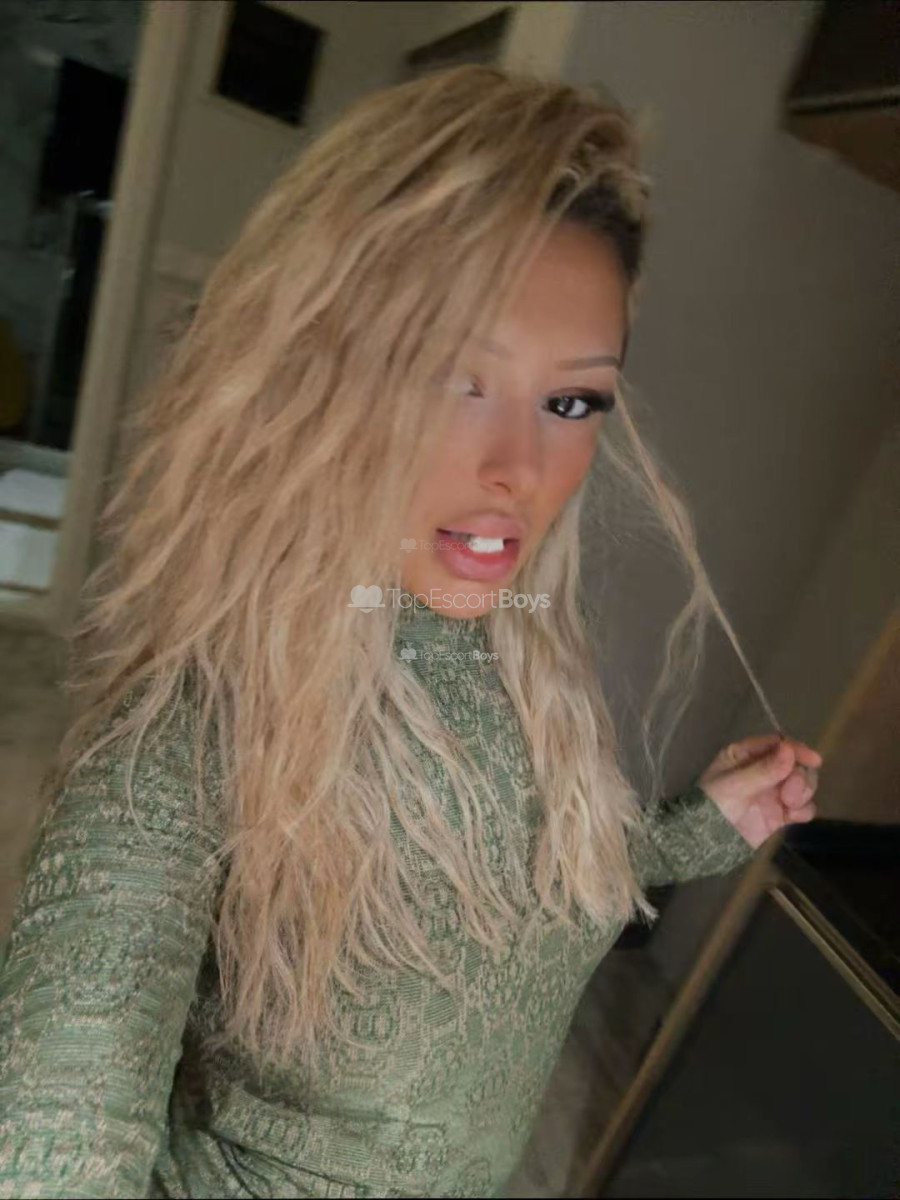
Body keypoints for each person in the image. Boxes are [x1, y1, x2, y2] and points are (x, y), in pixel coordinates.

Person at [0, 64, 821, 1199]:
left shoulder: (516, 650)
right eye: (449, 379)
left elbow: (508, 905)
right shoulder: (190, 727)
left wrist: (700, 831)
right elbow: (49, 1148)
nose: (517, 469)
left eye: (571, 401)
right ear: (307, 377)